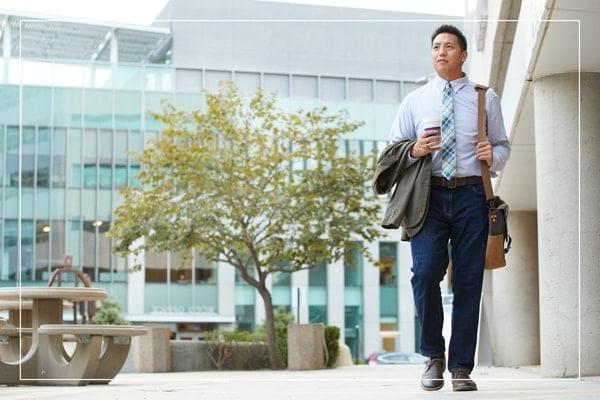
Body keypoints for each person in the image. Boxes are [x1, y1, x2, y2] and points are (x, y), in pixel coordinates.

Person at [389, 24, 511, 392]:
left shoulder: (484, 98)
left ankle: (461, 367)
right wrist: (416, 150)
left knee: (469, 280)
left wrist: (495, 155)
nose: (441, 52)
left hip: (473, 195)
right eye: (436, 47)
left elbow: (503, 146)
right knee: (424, 272)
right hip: (429, 196)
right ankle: (432, 357)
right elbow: (394, 149)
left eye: (449, 47)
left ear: (464, 55)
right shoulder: (415, 100)